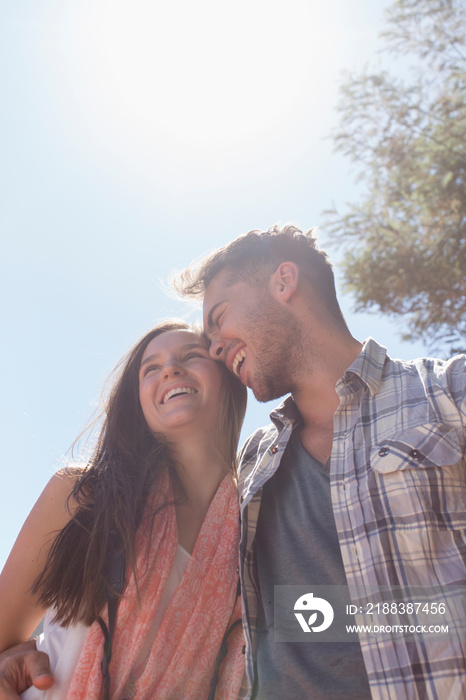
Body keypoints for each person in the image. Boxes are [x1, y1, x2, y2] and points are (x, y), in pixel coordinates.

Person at [173, 225, 466, 699]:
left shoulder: (447, 393)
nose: (214, 348)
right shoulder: (250, 464)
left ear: (284, 282)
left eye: (219, 317)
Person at [0, 320, 247, 699]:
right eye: (151, 368)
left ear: (229, 380)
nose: (170, 369)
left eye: (191, 356)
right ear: (139, 402)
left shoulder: (257, 531)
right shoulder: (85, 497)